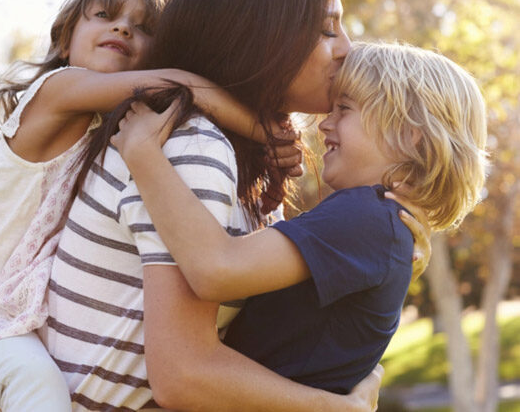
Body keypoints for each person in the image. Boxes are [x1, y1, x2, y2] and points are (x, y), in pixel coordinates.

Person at [43, 0, 425, 411]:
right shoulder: (191, 147)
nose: (347, 48)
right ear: (262, 34)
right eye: (328, 28)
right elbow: (184, 377)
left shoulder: (222, 152)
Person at [0, 0, 272, 412]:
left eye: (144, 27)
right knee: (35, 385)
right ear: (64, 40)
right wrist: (266, 135)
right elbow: (179, 86)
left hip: (9, 327)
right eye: (105, 15)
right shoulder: (56, 90)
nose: (123, 28)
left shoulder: (108, 131)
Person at [113, 40, 487, 395]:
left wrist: (143, 153)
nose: (324, 124)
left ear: (409, 136)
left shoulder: (365, 215)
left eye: (345, 108)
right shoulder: (382, 226)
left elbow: (216, 269)